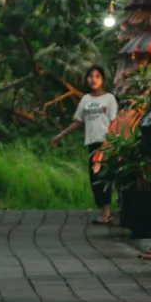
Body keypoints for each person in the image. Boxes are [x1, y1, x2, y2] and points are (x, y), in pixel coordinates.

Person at [53, 65, 119, 225]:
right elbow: (78, 122)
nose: (93, 79)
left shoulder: (109, 99)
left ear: (103, 80)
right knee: (95, 180)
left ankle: (106, 214)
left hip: (106, 144)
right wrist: (60, 135)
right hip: (92, 144)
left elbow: (115, 123)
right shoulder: (85, 100)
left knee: (103, 178)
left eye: (97, 76)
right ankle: (105, 212)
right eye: (90, 76)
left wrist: (112, 143)